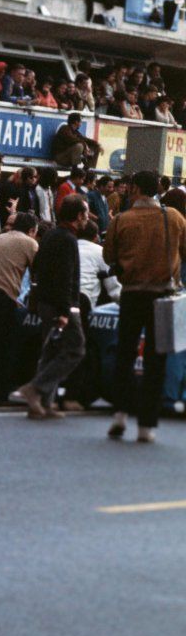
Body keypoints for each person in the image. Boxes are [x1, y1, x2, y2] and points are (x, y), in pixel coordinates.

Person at [102, 171, 186, 443]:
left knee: (125, 354)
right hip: (162, 296)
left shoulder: (121, 220)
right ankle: (146, 425)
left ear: (135, 189)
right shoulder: (173, 217)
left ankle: (120, 414)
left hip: (131, 294)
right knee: (156, 359)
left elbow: (109, 255)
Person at [20, 197, 87, 420]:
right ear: (78, 215)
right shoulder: (68, 239)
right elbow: (66, 277)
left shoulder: (50, 235)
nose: (87, 218)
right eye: (85, 214)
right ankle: (36, 388)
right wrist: (65, 310)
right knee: (75, 348)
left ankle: (43, 404)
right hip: (62, 304)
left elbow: (37, 266)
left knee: (51, 351)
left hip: (46, 301)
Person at [0, 213, 39, 405]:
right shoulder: (30, 243)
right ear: (31, 230)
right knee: (5, 348)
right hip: (6, 296)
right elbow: (38, 272)